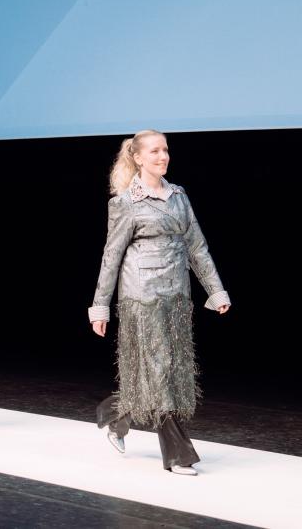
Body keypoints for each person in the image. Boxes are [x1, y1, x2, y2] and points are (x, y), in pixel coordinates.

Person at [88, 130, 230, 475]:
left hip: (177, 295)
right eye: (154, 151)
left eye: (165, 150)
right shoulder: (125, 203)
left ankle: (114, 415)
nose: (162, 156)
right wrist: (100, 306)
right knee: (160, 368)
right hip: (142, 297)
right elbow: (111, 256)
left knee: (170, 369)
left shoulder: (179, 196)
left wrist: (215, 290)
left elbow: (197, 247)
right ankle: (179, 454)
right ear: (138, 157)